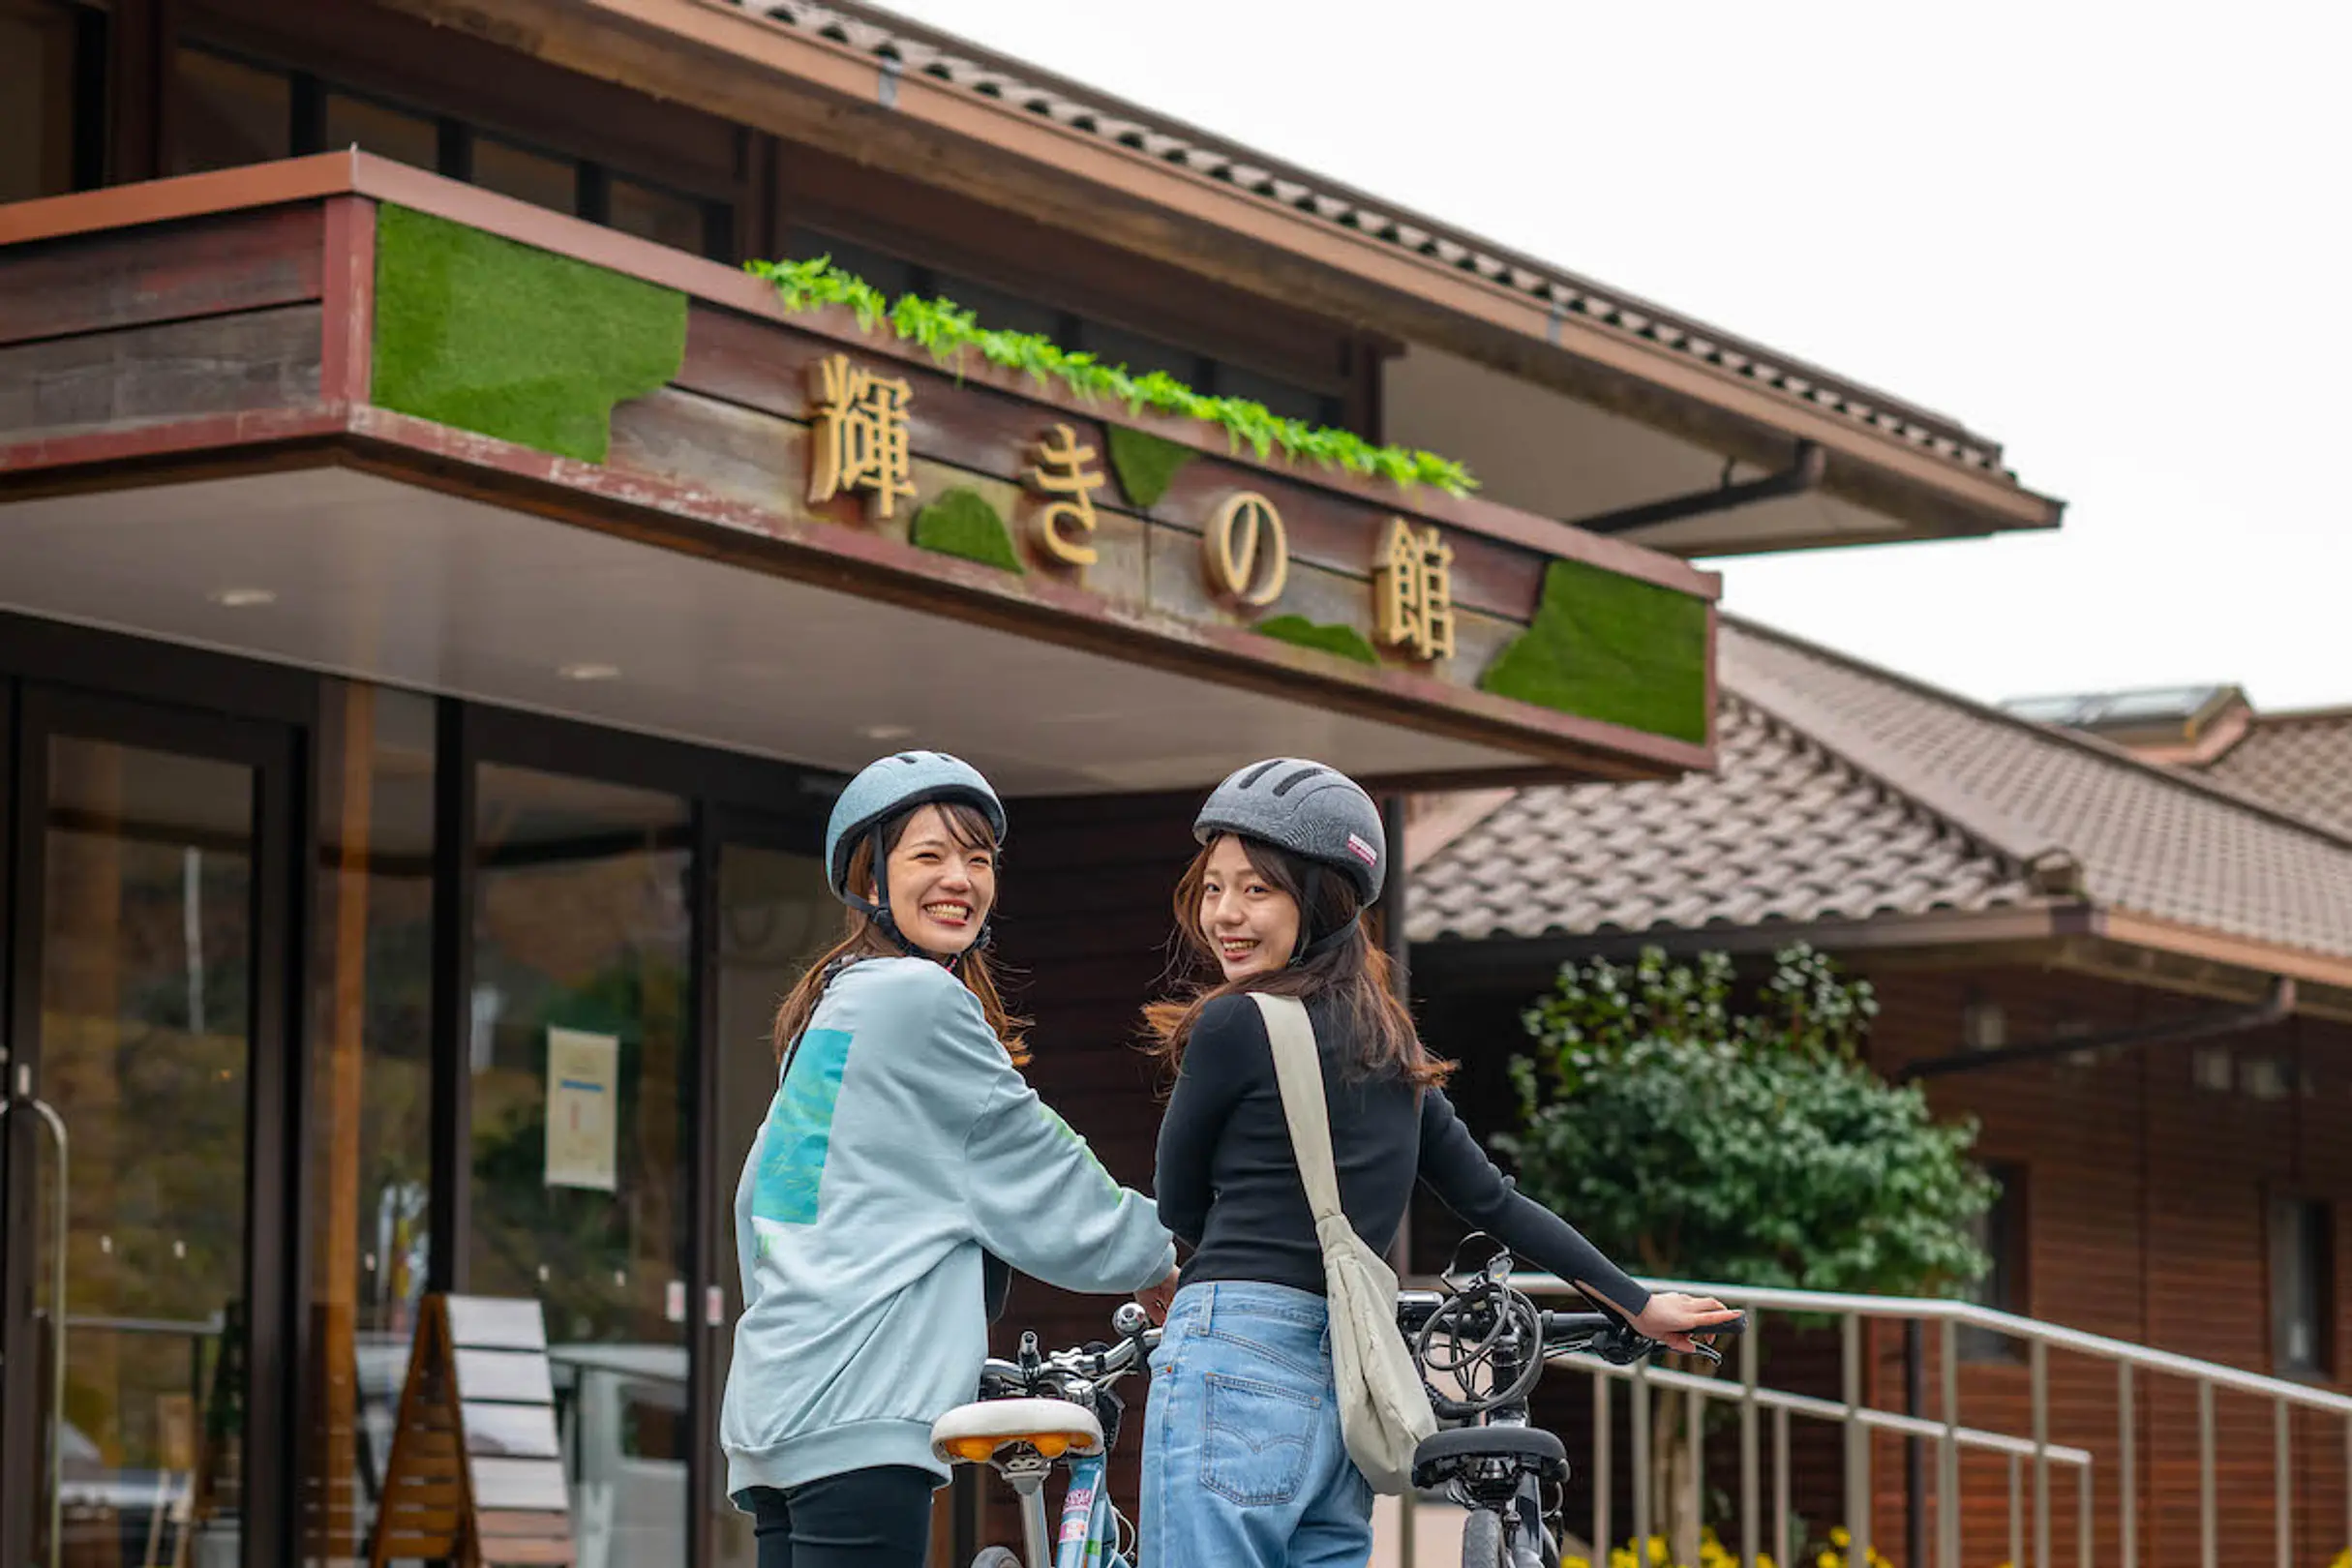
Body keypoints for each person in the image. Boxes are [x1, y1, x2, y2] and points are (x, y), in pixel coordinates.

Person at [1140, 758, 1738, 1567]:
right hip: (1351, 1376)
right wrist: (1637, 1304)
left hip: (1234, 1350)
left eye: (1256, 889)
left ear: (1320, 900)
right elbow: (1494, 1203)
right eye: (1213, 888)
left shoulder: (1233, 1025)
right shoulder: (1393, 1052)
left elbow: (1176, 1207)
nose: (1225, 915)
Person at [721, 750, 1178, 1568]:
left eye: (977, 859)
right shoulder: (921, 999)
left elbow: (763, 1197)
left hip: (775, 1403)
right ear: (872, 877)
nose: (959, 878)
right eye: (928, 856)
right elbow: (1030, 1153)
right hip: (857, 1412)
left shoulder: (835, 1007)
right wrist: (1152, 1254)